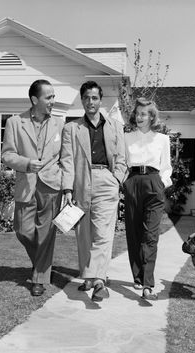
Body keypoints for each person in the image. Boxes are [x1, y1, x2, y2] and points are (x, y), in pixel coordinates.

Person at [61, 80, 126, 302]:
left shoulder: (115, 126)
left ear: (100, 100)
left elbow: (123, 158)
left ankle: (98, 281)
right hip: (81, 182)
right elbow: (67, 161)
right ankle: (88, 278)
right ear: (82, 100)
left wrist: (116, 178)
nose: (91, 101)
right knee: (84, 234)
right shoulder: (71, 128)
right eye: (87, 97)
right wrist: (68, 189)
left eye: (95, 98)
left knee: (103, 233)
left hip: (106, 180)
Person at [2, 79, 64, 296]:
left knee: (46, 233)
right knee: (23, 230)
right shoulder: (14, 122)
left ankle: (39, 278)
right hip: (26, 183)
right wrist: (26, 163)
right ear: (35, 99)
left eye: (53, 96)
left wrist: (66, 184)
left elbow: (65, 157)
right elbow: (7, 155)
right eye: (49, 97)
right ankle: (43, 263)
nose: (53, 101)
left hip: (51, 184)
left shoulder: (59, 123)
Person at [123, 97, 172, 300]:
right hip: (133, 182)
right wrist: (125, 183)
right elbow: (123, 162)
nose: (139, 116)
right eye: (138, 113)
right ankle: (137, 275)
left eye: (144, 114)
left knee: (150, 235)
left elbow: (167, 167)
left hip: (154, 183)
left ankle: (147, 283)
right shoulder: (127, 137)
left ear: (152, 117)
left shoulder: (162, 139)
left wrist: (161, 183)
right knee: (133, 232)